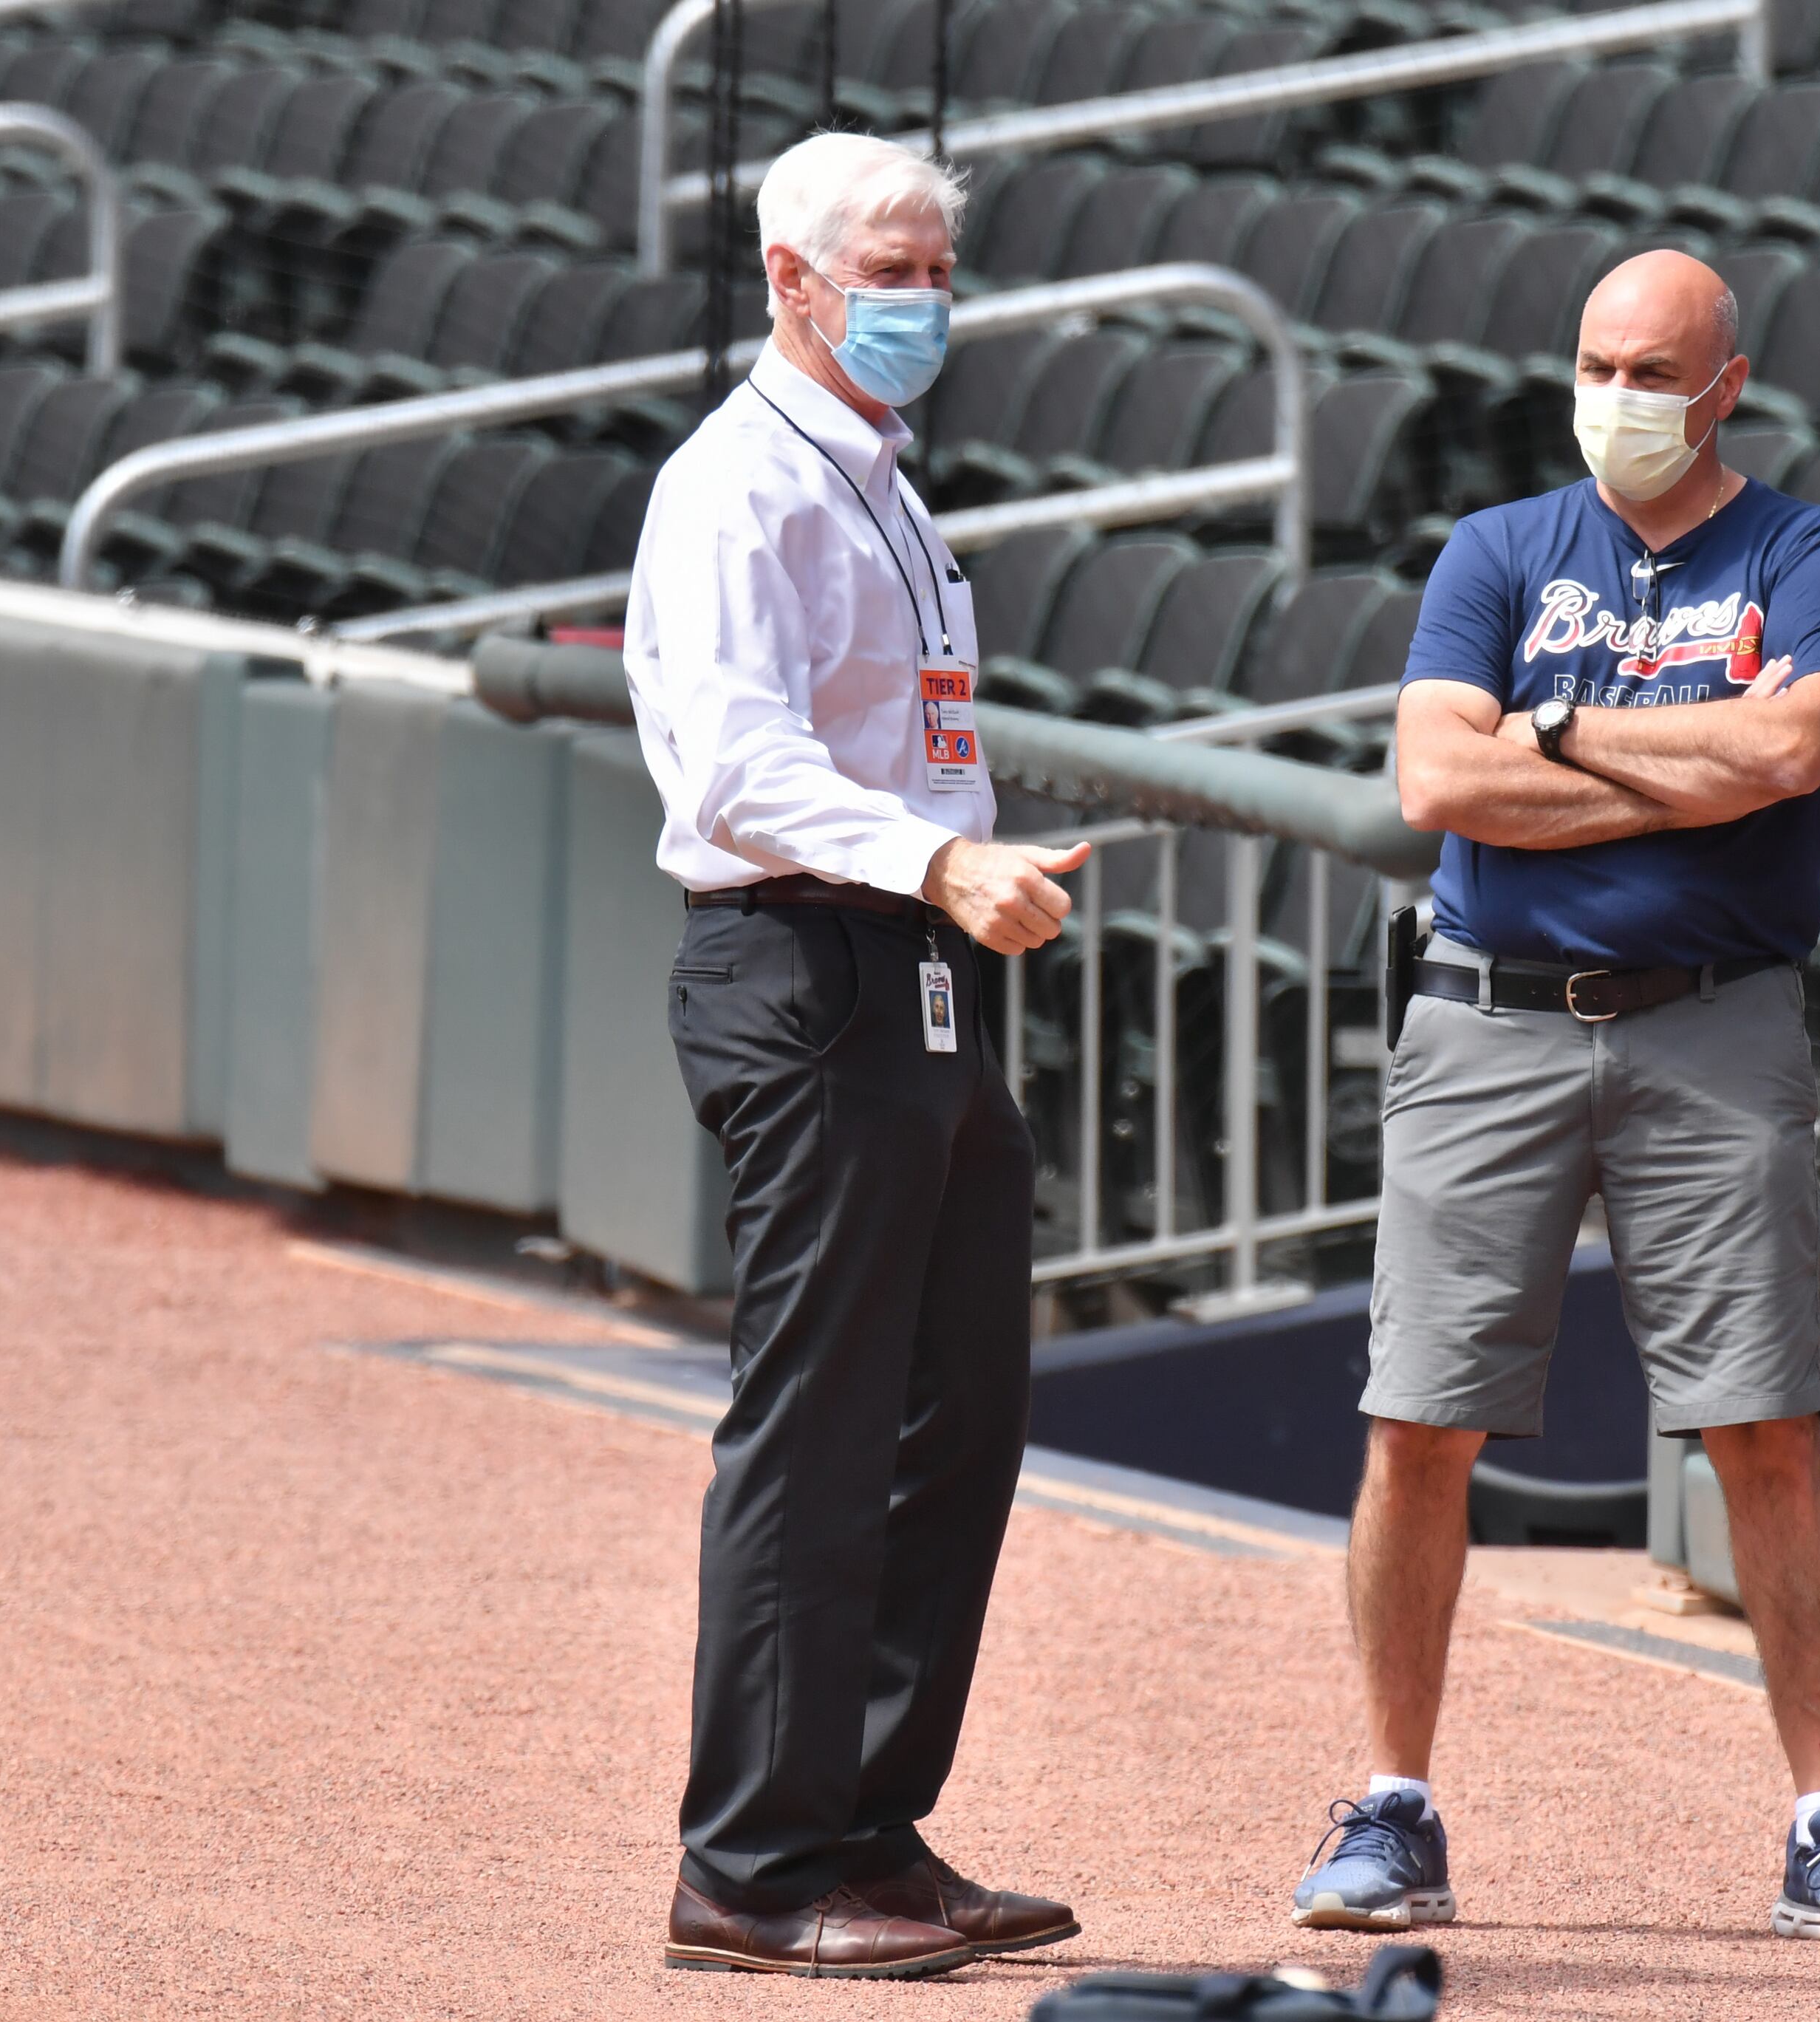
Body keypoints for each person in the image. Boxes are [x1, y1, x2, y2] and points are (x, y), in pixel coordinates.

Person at [1290, 250, 1820, 1953]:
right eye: (1596, 361)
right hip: (1489, 1019)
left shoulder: (1806, 549)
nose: (1620, 397)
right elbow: (1438, 775)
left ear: (1726, 383)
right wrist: (1682, 770)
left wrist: (1566, 735)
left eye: (1655, 369)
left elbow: (1791, 759)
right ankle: (1392, 1804)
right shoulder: (1501, 546)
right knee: (1417, 1419)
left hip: (1713, 1024)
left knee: (1765, 1425)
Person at [623, 130, 1087, 1981]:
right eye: (884, 270)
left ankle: (868, 1826)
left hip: (922, 968)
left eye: (937, 271)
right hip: (804, 965)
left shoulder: (887, 479)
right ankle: (747, 1864)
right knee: (813, 1432)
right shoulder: (730, 482)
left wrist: (958, 863)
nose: (920, 302)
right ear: (788, 280)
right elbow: (734, 767)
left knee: (954, 1417)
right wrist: (939, 855)